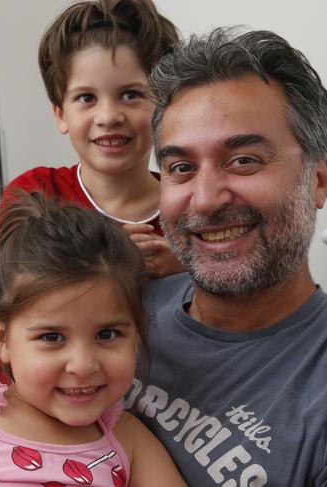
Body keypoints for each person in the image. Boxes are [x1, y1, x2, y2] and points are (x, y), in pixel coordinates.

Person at [126, 27, 327, 486]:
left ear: (318, 180)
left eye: (243, 161)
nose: (205, 200)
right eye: (181, 168)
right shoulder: (113, 310)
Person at [0, 190, 186, 487]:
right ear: (2, 338)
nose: (82, 365)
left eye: (107, 334)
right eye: (52, 337)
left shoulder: (128, 439)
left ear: (137, 333)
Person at [0, 0, 183, 346]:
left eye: (131, 94)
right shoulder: (35, 193)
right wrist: (107, 262)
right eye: (86, 98)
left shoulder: (190, 201)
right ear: (60, 114)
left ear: (164, 106)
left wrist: (184, 271)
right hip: (36, 396)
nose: (108, 115)